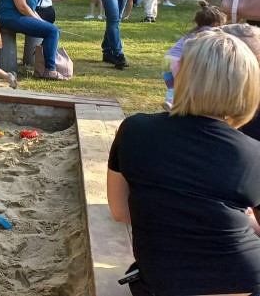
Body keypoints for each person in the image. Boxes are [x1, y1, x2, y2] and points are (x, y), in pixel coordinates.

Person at [107, 31, 260, 296]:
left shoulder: (134, 130)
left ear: (183, 76)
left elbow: (120, 211)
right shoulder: (254, 153)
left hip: (159, 283)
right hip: (245, 282)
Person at [0, 0, 65, 81]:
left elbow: (31, 8)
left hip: (17, 17)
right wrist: (39, 20)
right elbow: (22, 6)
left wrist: (41, 20)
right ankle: (50, 70)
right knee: (52, 31)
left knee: (51, 29)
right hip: (10, 18)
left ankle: (41, 64)